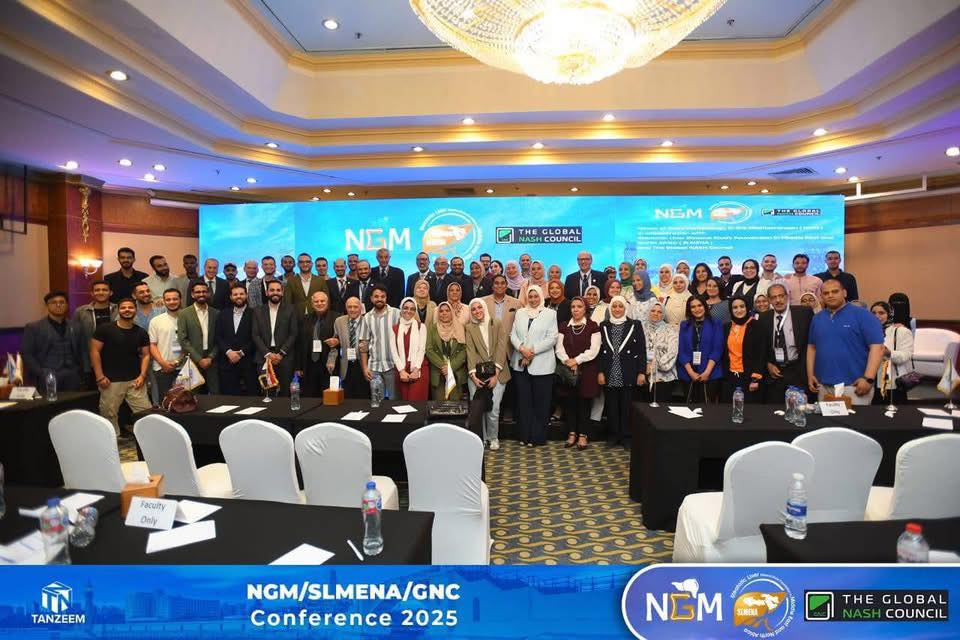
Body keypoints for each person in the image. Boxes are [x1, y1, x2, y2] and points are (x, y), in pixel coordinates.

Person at [807, 278, 884, 406]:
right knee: (826, 419)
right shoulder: (817, 318)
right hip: (823, 386)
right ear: (821, 296)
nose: (830, 295)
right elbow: (812, 347)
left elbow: (878, 348)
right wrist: (810, 374)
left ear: (844, 293)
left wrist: (868, 378)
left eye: (835, 291)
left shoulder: (863, 315)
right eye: (826, 293)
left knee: (856, 420)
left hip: (854, 386)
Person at [90, 298, 151, 436]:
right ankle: (111, 441)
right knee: (109, 415)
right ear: (118, 310)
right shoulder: (105, 329)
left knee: (146, 413)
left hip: (135, 380)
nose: (127, 310)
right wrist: (99, 377)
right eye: (123, 307)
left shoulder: (141, 332)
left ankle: (147, 439)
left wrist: (142, 375)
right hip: (110, 381)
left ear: (135, 310)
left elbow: (146, 355)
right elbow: (94, 352)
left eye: (130, 307)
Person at [510, 285, 557, 447]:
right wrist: (522, 349)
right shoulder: (520, 313)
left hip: (542, 365)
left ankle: (537, 437)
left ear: (541, 296)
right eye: (530, 296)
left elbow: (552, 338)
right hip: (520, 364)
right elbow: (513, 334)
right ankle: (524, 435)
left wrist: (531, 351)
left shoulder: (550, 314)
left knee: (540, 403)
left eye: (536, 296)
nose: (533, 299)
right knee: (524, 402)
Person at [597, 295, 646, 448]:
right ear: (610, 308)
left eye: (620, 306)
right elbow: (600, 351)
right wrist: (600, 372)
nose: (617, 309)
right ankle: (613, 436)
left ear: (625, 308)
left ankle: (626, 436)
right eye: (614, 306)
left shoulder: (635, 324)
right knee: (611, 407)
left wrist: (641, 372)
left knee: (626, 407)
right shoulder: (603, 325)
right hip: (610, 370)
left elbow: (641, 350)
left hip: (629, 371)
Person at [556, 296, 601, 450]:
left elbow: (594, 350)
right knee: (570, 403)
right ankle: (572, 433)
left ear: (585, 308)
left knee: (584, 404)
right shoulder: (564, 326)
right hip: (568, 371)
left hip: (587, 370)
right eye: (573, 307)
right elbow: (559, 348)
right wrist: (568, 361)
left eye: (579, 306)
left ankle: (583, 435)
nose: (575, 309)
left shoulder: (593, 326)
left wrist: (576, 361)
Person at [465, 299, 510, 450]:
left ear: (484, 308)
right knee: (478, 409)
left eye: (479, 307)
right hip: (477, 374)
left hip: (498, 372)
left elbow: (501, 348)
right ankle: (481, 438)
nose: (477, 311)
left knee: (493, 409)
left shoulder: (496, 323)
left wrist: (495, 374)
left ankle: (493, 438)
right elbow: (470, 351)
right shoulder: (469, 328)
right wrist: (473, 376)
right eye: (473, 309)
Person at [758, 283, 813, 404]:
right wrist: (768, 364)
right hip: (775, 373)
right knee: (775, 410)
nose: (778, 300)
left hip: (798, 371)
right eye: (774, 297)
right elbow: (762, 346)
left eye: (781, 296)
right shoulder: (764, 318)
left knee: (799, 409)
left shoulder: (803, 313)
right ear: (769, 300)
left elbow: (812, 344)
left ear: (787, 297)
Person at [21, 291, 84, 393]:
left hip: (72, 376)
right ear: (47, 305)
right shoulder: (34, 327)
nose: (58, 305)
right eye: (54, 302)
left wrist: (80, 371)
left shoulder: (76, 326)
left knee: (73, 402)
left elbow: (82, 351)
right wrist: (40, 373)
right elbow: (27, 354)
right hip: (47, 375)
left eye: (62, 302)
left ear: (67, 305)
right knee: (49, 403)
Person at [251, 279, 298, 395]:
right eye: (272, 290)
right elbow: (255, 335)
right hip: (264, 357)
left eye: (278, 290)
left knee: (285, 393)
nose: (275, 292)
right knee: (267, 393)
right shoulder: (257, 311)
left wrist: (281, 354)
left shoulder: (291, 309)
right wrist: (268, 354)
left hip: (285, 357)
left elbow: (293, 334)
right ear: (267, 292)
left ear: (282, 292)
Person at [677, 297, 723, 403]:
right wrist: (691, 373)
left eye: (699, 305)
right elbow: (682, 351)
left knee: (707, 409)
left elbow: (717, 349)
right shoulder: (684, 325)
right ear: (689, 309)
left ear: (705, 306)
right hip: (688, 374)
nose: (697, 309)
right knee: (690, 408)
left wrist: (707, 372)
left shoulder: (716, 324)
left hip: (711, 373)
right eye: (693, 307)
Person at [214, 283, 258, 396]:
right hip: (227, 362)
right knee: (229, 398)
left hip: (249, 363)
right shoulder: (223, 314)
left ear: (246, 295)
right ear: (231, 297)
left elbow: (257, 337)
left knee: (252, 398)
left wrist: (241, 353)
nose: (239, 296)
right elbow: (218, 336)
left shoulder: (255, 314)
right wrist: (229, 352)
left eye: (241, 294)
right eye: (235, 294)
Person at [177, 281, 220, 393]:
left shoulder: (216, 313)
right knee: (193, 395)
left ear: (208, 293)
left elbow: (219, 338)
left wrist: (210, 357)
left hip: (212, 361)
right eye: (198, 292)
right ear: (192, 294)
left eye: (204, 291)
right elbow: (183, 339)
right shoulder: (184, 314)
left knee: (215, 393)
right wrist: (199, 359)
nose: (201, 294)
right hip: (193, 361)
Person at [359, 284, 400, 399]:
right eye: (376, 296)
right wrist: (365, 367)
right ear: (371, 298)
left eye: (382, 296)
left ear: (386, 298)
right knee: (377, 401)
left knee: (394, 400)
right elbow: (364, 344)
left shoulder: (397, 314)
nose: (379, 299)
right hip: (374, 367)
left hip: (393, 366)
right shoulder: (367, 317)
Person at [294, 290, 338, 397]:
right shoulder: (305, 319)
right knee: (309, 397)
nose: (319, 303)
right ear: (312, 304)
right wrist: (298, 366)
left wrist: (338, 341)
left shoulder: (337, 318)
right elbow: (300, 343)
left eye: (322, 301)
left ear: (327, 302)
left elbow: (342, 339)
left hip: (328, 365)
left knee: (328, 397)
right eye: (316, 301)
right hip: (309, 365)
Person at [74, 279, 117, 385]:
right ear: (92, 293)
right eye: (97, 290)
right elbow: (75, 336)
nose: (101, 292)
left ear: (111, 293)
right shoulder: (81, 312)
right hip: (89, 361)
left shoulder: (118, 309)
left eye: (104, 290)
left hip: (115, 359)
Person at [871, 301, 914, 405]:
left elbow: (905, 356)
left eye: (881, 313)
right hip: (871, 381)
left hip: (892, 382)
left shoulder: (901, 331)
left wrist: (889, 353)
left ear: (890, 315)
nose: (876, 316)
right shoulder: (867, 332)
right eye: (873, 313)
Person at [722, 296, 764, 403]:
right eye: (735, 307)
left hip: (749, 378)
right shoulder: (726, 327)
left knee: (749, 409)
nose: (739, 310)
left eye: (742, 306)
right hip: (730, 377)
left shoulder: (757, 325)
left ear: (747, 307)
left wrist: (755, 378)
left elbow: (761, 353)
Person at [388, 297, 429, 401]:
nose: (408, 311)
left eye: (412, 309)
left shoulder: (421, 327)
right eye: (405, 308)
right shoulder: (394, 328)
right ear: (401, 309)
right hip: (402, 369)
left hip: (419, 369)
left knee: (416, 401)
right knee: (404, 403)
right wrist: (401, 371)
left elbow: (422, 349)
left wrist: (416, 369)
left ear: (415, 311)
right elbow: (394, 352)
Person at [426, 301, 467, 400]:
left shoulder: (460, 327)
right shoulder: (432, 328)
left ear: (451, 312)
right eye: (441, 311)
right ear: (438, 313)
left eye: (447, 310)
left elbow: (464, 350)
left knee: (455, 405)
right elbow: (429, 349)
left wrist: (450, 367)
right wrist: (443, 366)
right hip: (438, 372)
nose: (444, 313)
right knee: (439, 405)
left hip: (455, 372)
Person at [148, 287, 184, 398]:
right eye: (168, 299)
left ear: (180, 300)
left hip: (183, 368)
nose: (172, 302)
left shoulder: (186, 319)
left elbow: (189, 343)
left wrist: (177, 361)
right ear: (163, 301)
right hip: (162, 368)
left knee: (184, 401)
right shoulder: (156, 321)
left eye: (175, 299)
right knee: (165, 400)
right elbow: (152, 345)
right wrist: (164, 364)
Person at [331, 296, 367, 398]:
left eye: (355, 307)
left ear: (361, 308)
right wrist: (331, 360)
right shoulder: (339, 321)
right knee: (347, 398)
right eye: (349, 307)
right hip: (346, 365)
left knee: (363, 397)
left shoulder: (367, 321)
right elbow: (335, 343)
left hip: (362, 364)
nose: (352, 309)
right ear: (346, 308)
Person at [642, 303, 679, 402]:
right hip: (643, 375)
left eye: (659, 312)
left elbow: (672, 352)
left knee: (660, 409)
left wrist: (653, 365)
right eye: (653, 311)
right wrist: (643, 367)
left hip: (664, 377)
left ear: (663, 315)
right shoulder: (641, 328)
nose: (655, 313)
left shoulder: (671, 330)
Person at [481, 275, 522, 341]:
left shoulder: (516, 303)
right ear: (492, 286)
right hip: (488, 341)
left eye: (502, 283)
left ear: (506, 286)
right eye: (496, 283)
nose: (499, 285)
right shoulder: (482, 302)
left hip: (508, 342)